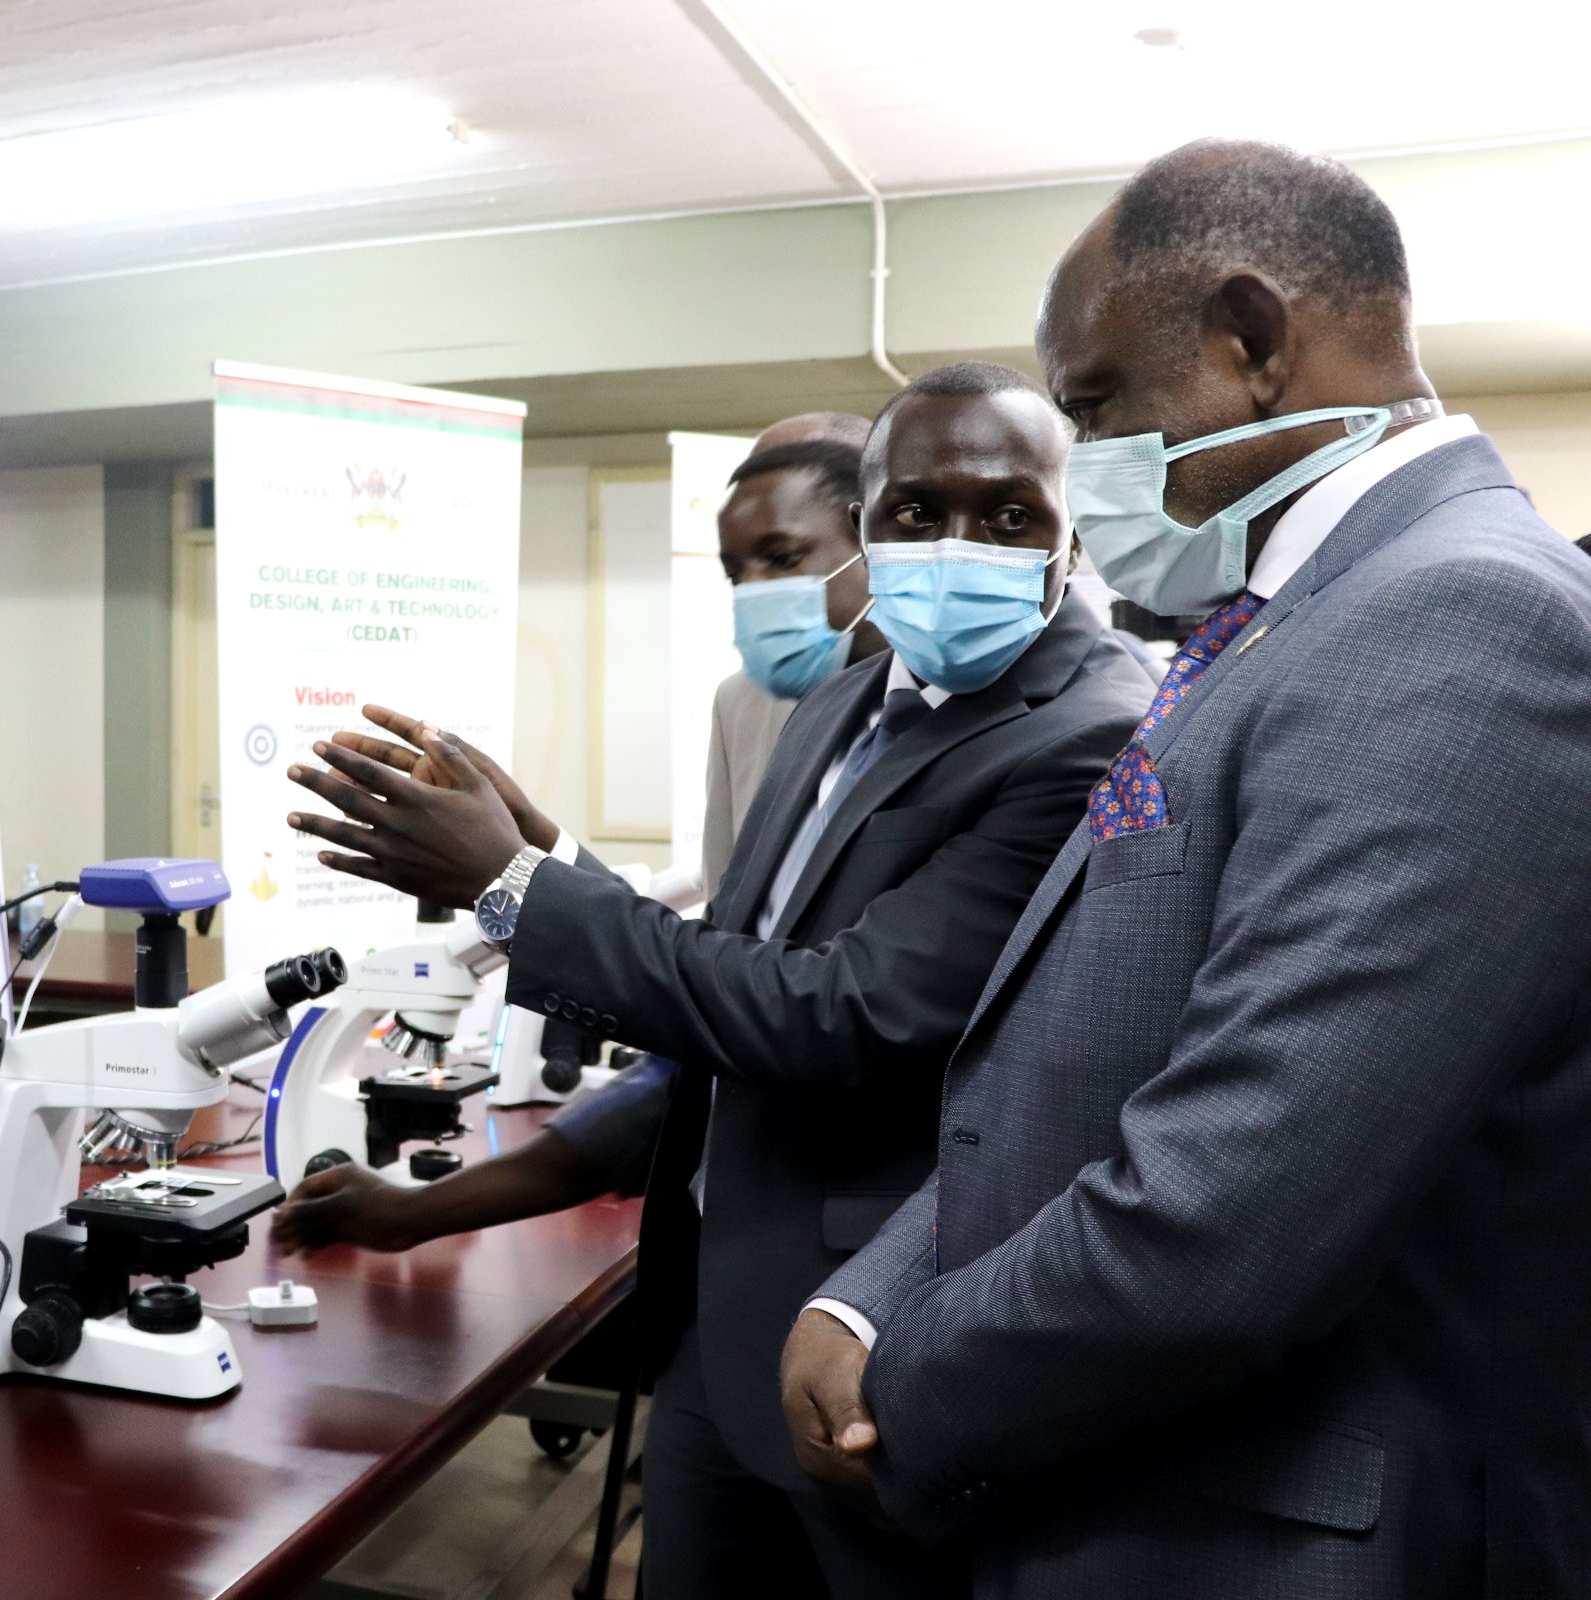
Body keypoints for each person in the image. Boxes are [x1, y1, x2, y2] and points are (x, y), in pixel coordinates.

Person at [782, 140, 1591, 1595]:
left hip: (1257, 1524)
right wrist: (873, 1297)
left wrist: (909, 1395)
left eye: (1095, 406)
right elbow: (1080, 1046)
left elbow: (1228, 1209)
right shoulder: (1290, 617)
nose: (1085, 467)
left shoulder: (1461, 618)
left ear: (1253, 341)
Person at [274, 365, 1152, 1598]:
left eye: (1009, 515)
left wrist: (516, 889)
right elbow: (731, 986)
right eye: (916, 510)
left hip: (875, 1341)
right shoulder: (844, 696)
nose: (958, 545)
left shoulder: (1092, 732)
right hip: (717, 1322)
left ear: (1072, 528)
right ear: (869, 530)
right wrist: (538, 865)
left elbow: (838, 1016)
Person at [704, 411, 880, 894]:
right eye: (736, 572)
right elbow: (724, 899)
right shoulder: (740, 703)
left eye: (782, 558)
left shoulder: (953, 691)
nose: (754, 589)